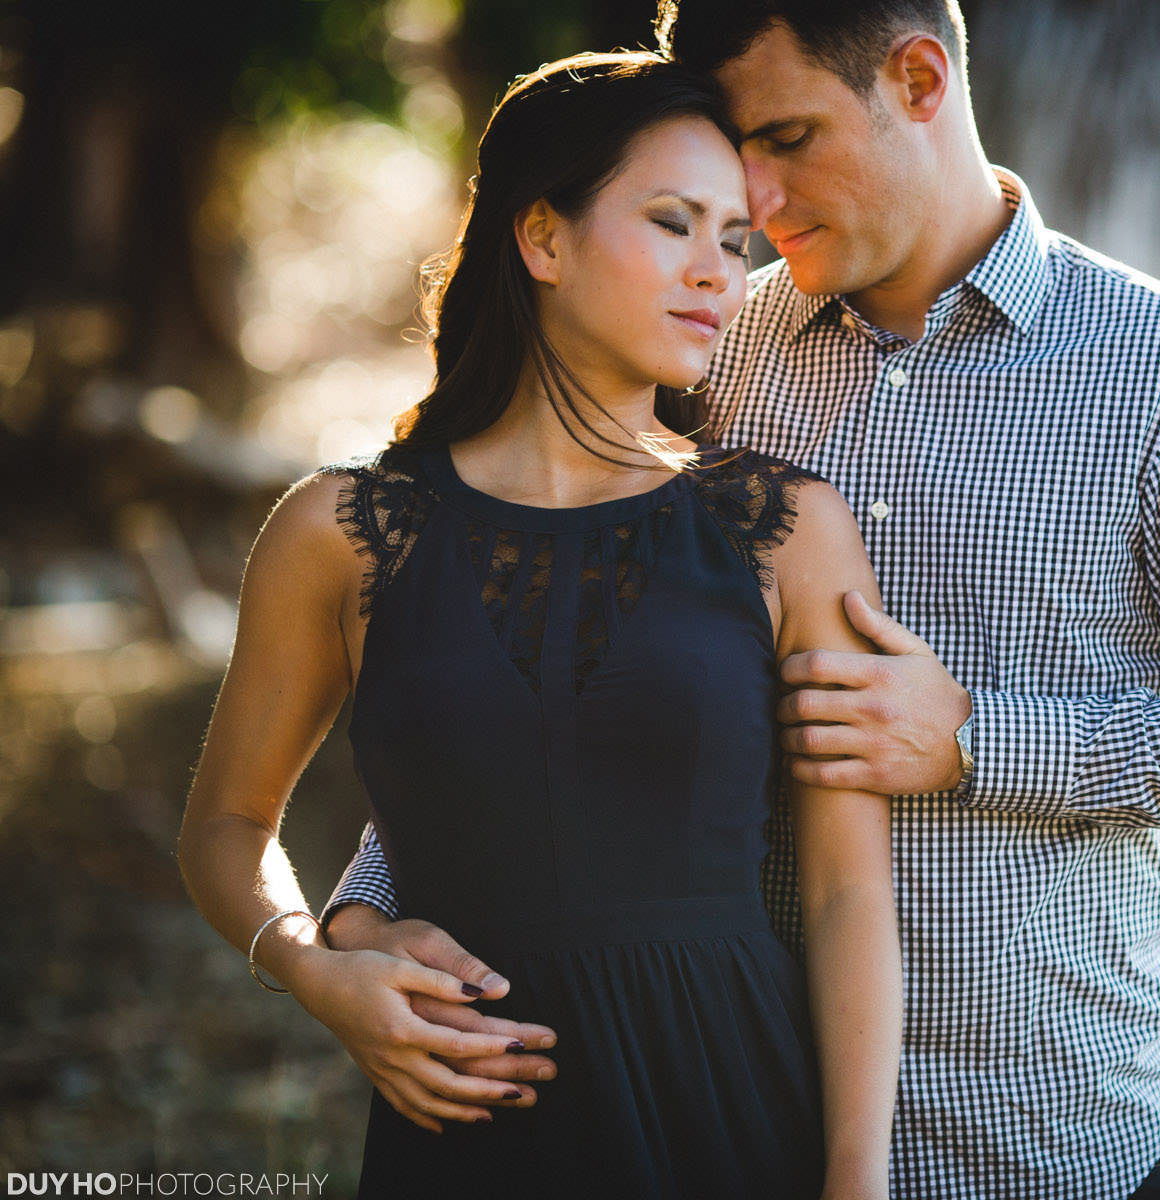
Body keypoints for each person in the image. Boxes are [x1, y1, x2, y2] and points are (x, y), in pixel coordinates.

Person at [321, 3, 1160, 1197]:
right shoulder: (709, 344)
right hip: (741, 1123)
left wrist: (980, 741)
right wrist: (363, 919)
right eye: (738, 156)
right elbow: (549, 686)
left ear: (921, 79)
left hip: (1045, 1140)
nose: (759, 203)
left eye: (789, 138)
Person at [176, 51, 901, 1200]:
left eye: (734, 240)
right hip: (464, 1131)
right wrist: (315, 968)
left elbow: (849, 893)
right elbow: (224, 825)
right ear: (544, 239)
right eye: (674, 224)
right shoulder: (342, 531)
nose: (719, 273)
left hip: (730, 1118)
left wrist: (856, 1182)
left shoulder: (786, 527)